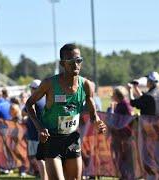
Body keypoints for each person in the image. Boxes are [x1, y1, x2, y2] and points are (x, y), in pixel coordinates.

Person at [25, 43, 106, 180]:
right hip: (52, 139)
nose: (76, 65)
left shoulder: (85, 85)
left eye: (79, 60)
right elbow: (29, 104)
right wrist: (40, 127)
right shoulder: (49, 84)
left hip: (72, 138)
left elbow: (93, 114)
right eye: (71, 61)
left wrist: (97, 121)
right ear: (63, 63)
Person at [127, 71, 159, 180]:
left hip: (149, 131)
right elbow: (144, 99)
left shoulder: (149, 96)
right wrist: (137, 89)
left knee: (149, 157)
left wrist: (130, 90)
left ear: (150, 82)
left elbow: (133, 103)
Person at [23, 79, 48, 179]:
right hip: (45, 132)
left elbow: (24, 112)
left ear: (33, 89)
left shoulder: (33, 100)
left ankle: (43, 177)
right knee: (43, 157)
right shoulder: (46, 99)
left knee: (38, 158)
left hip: (35, 133)